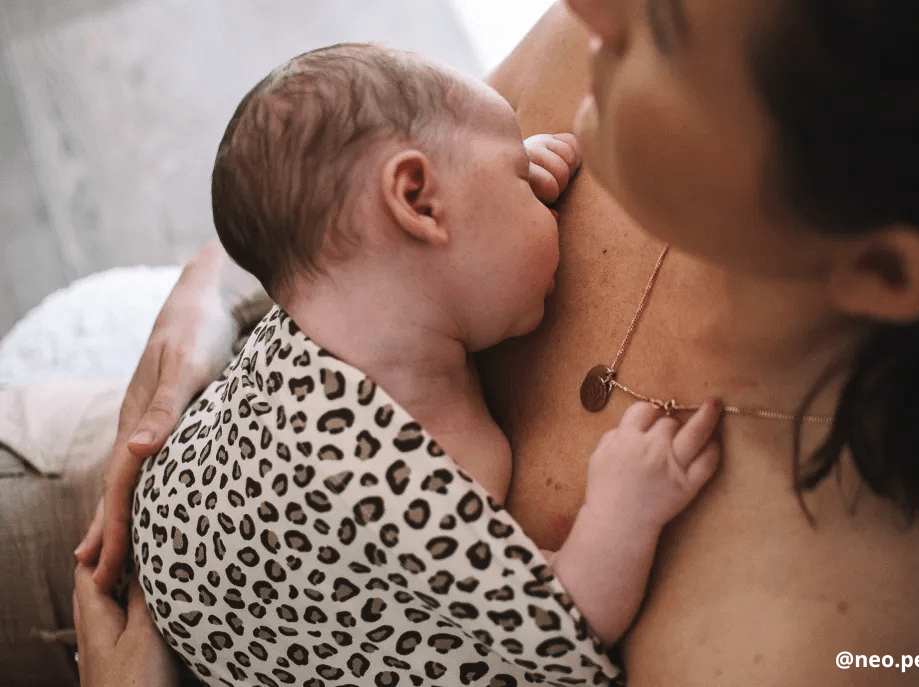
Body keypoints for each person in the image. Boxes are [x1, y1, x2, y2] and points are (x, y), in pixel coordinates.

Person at [77, 0, 919, 684]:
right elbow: (323, 191)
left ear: (888, 272)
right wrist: (193, 318)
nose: (580, 9)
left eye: (666, 26)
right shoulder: (628, 54)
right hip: (168, 504)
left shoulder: (808, 629)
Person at [128, 41, 721, 685]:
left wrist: (504, 187)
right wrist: (623, 509)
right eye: (520, 172)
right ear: (418, 199)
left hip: (171, 562)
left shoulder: (335, 304)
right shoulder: (405, 471)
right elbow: (562, 618)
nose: (544, 178)